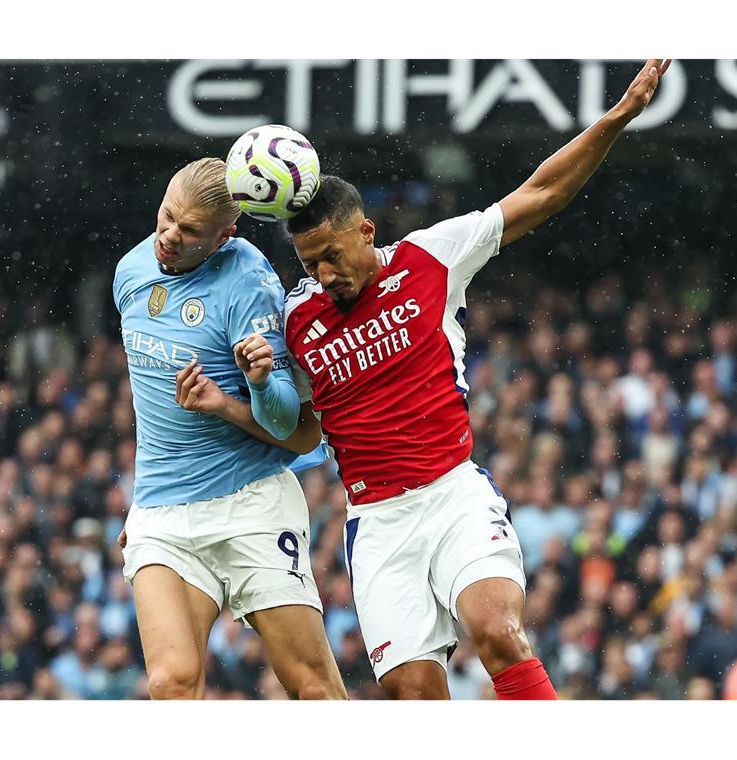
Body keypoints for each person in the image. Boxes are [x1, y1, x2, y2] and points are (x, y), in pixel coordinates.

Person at [181, 59, 671, 699]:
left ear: (367, 231)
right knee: (414, 698)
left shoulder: (429, 258)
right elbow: (298, 435)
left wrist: (616, 118)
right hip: (378, 524)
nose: (325, 274)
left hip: (453, 497)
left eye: (333, 255)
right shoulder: (296, 321)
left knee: (497, 632)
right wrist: (239, 397)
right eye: (310, 263)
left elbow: (541, 194)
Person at [112, 157, 346, 699]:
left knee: (310, 686)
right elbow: (153, 407)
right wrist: (142, 499)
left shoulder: (249, 283)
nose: (169, 236)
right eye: (167, 217)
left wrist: (251, 389)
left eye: (190, 230)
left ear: (225, 236)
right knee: (171, 683)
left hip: (250, 504)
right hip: (163, 514)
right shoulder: (130, 272)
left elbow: (296, 429)